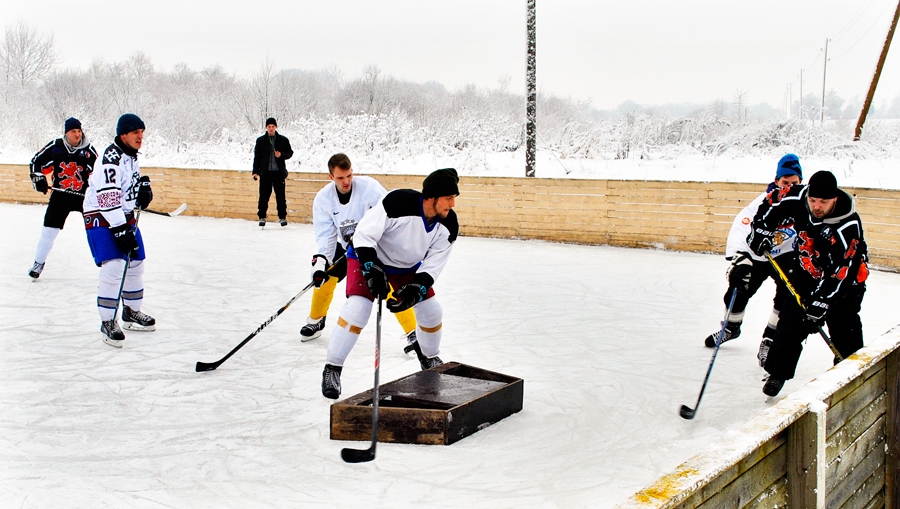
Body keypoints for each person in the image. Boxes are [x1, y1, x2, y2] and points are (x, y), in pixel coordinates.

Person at [320, 168, 460, 399]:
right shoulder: (397, 202)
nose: (452, 204)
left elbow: (433, 264)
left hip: (406, 266)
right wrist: (371, 268)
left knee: (432, 311)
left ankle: (430, 359)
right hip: (369, 255)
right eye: (448, 198)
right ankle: (332, 368)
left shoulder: (449, 224)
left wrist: (416, 289)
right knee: (358, 309)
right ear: (431, 197)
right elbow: (364, 234)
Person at [748, 170, 868, 396]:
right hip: (808, 271)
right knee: (790, 320)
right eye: (813, 200)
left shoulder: (848, 225)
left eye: (823, 202)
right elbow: (771, 202)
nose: (817, 207)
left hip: (845, 282)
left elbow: (843, 271)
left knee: (844, 327)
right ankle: (777, 373)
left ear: (835, 199)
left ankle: (850, 375)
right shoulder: (798, 196)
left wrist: (822, 303)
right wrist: (761, 230)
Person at [303, 153, 418, 348]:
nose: (346, 181)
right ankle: (316, 320)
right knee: (325, 276)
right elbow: (326, 235)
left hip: (375, 245)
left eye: (349, 175)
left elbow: (389, 216)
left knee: (388, 282)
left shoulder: (369, 188)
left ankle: (413, 332)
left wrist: (369, 241)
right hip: (346, 246)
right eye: (340, 177)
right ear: (331, 177)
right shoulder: (323, 199)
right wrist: (323, 259)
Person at [702, 154, 803, 368]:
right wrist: (740, 256)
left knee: (787, 296)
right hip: (757, 255)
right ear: (776, 181)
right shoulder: (763, 202)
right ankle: (731, 328)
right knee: (739, 286)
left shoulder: (804, 203)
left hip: (785, 255)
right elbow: (742, 226)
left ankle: (769, 339)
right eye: (785, 182)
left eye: (794, 183)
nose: (789, 187)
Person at [82, 114, 157, 347]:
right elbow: (107, 199)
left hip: (122, 214)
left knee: (136, 261)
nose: (140, 137)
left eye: (142, 132)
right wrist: (120, 229)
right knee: (114, 265)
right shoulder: (110, 159)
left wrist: (141, 191)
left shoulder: (132, 156)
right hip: (100, 214)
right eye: (135, 132)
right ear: (123, 134)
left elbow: (126, 190)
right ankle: (107, 320)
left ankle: (131, 312)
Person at [27, 117, 98, 279]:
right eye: (73, 131)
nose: (77, 134)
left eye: (79, 131)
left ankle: (107, 262)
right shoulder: (55, 147)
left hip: (84, 197)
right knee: (48, 231)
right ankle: (38, 263)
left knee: (97, 229)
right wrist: (38, 178)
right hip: (60, 195)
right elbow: (36, 161)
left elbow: (99, 173)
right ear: (66, 133)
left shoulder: (89, 151)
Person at [252, 117, 293, 227]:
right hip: (265, 173)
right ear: (266, 127)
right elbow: (257, 157)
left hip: (278, 173)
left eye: (272, 126)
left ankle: (282, 217)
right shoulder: (260, 141)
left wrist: (281, 155)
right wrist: (255, 172)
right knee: (263, 196)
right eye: (269, 126)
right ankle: (262, 216)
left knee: (280, 196)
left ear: (276, 127)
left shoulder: (283, 140)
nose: (271, 128)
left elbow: (290, 153)